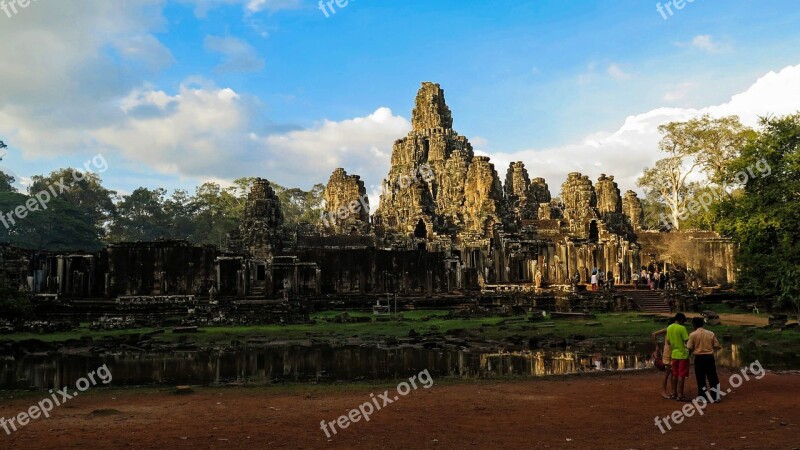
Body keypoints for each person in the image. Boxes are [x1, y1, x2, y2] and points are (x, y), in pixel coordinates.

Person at [687, 317, 722, 402]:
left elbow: (689, 347)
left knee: (700, 378)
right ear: (703, 324)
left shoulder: (693, 334)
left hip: (699, 358)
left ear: (694, 325)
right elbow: (717, 345)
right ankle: (716, 396)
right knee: (713, 377)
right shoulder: (710, 333)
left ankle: (702, 397)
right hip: (709, 357)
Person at [666, 312, 691, 401]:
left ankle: (673, 393)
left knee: (674, 374)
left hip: (674, 354)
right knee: (681, 375)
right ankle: (680, 395)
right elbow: (687, 341)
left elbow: (668, 342)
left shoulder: (669, 327)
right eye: (683, 320)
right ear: (681, 320)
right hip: (683, 355)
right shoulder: (682, 328)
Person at [652, 317, 676, 399]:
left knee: (673, 373)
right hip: (667, 353)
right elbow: (654, 334)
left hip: (674, 352)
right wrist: (656, 346)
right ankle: (664, 392)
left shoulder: (675, 330)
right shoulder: (667, 329)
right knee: (667, 373)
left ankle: (673, 392)